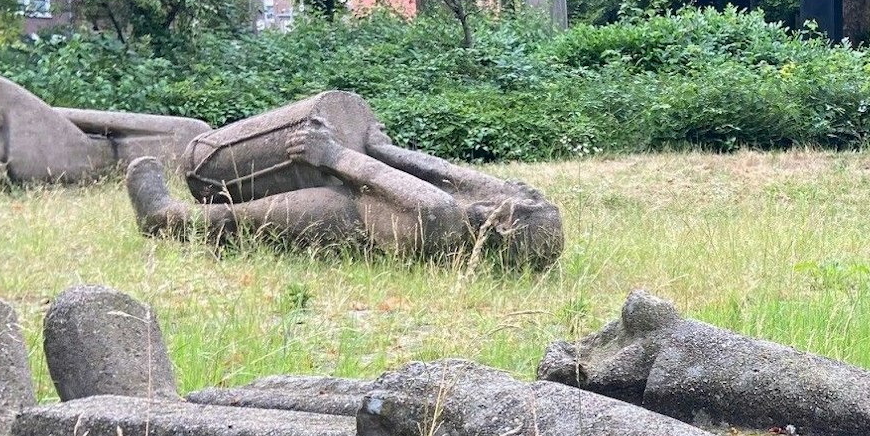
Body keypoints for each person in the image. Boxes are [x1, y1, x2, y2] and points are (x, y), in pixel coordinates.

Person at [125, 94, 563, 271]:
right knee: (238, 219)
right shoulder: (471, 210)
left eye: (522, 203)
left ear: (505, 226)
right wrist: (381, 144)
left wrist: (334, 154)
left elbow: (380, 176)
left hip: (349, 216)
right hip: (364, 191)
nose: (514, 192)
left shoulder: (442, 216)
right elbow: (440, 169)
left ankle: (162, 217)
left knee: (231, 221)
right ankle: (170, 215)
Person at [0, 75, 209, 193]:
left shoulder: (197, 132)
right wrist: (50, 114)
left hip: (83, 159)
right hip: (81, 156)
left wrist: (53, 114)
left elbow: (99, 122)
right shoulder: (195, 136)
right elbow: (107, 124)